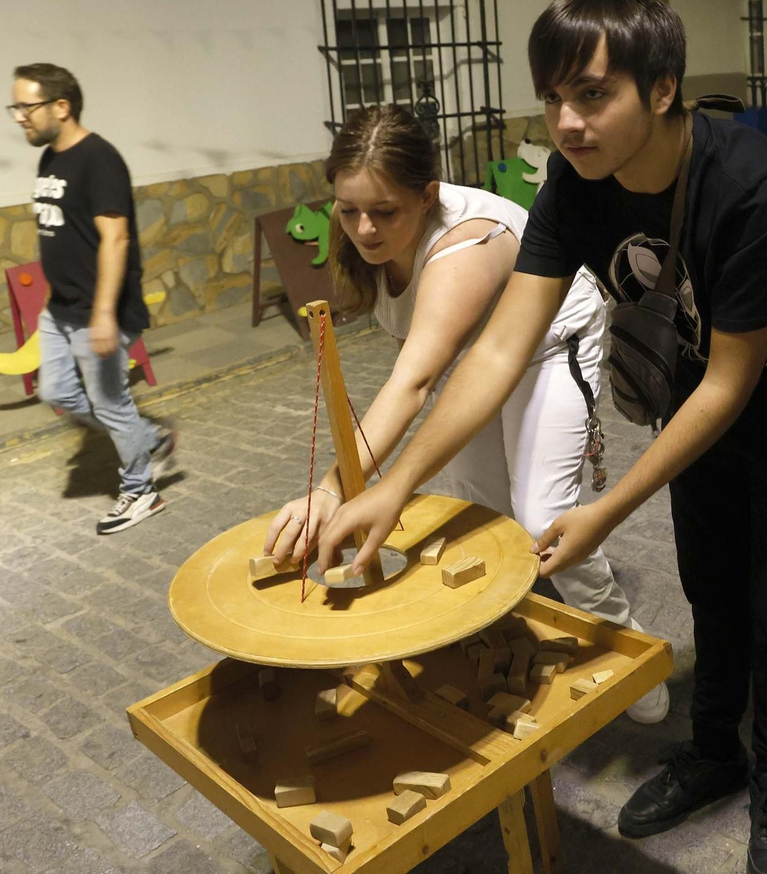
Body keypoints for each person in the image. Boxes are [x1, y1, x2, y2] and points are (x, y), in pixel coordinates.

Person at [310, 0, 767, 874]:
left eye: (593, 95)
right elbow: (492, 357)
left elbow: (732, 387)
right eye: (554, 97)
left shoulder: (749, 187)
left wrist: (606, 514)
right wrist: (391, 489)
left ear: (664, 89)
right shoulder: (574, 180)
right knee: (710, 578)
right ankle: (715, 753)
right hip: (698, 368)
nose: (567, 122)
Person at [260, 103, 669, 724]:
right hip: (477, 363)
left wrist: (337, 488)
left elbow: (415, 380)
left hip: (551, 345)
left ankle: (630, 652)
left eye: (384, 212)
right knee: (480, 512)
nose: (365, 229)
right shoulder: (372, 243)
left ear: (427, 196)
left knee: (542, 516)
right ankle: (506, 643)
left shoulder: (464, 240)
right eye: (349, 211)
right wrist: (345, 484)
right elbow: (417, 365)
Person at [15, 63, 176, 535]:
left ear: (61, 107)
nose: (20, 116)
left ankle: (141, 492)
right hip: (62, 308)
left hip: (97, 312)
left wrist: (104, 313)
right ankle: (151, 438)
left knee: (110, 404)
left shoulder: (99, 159)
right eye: (17, 107)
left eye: (27, 106)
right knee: (56, 392)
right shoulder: (51, 158)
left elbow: (116, 239)